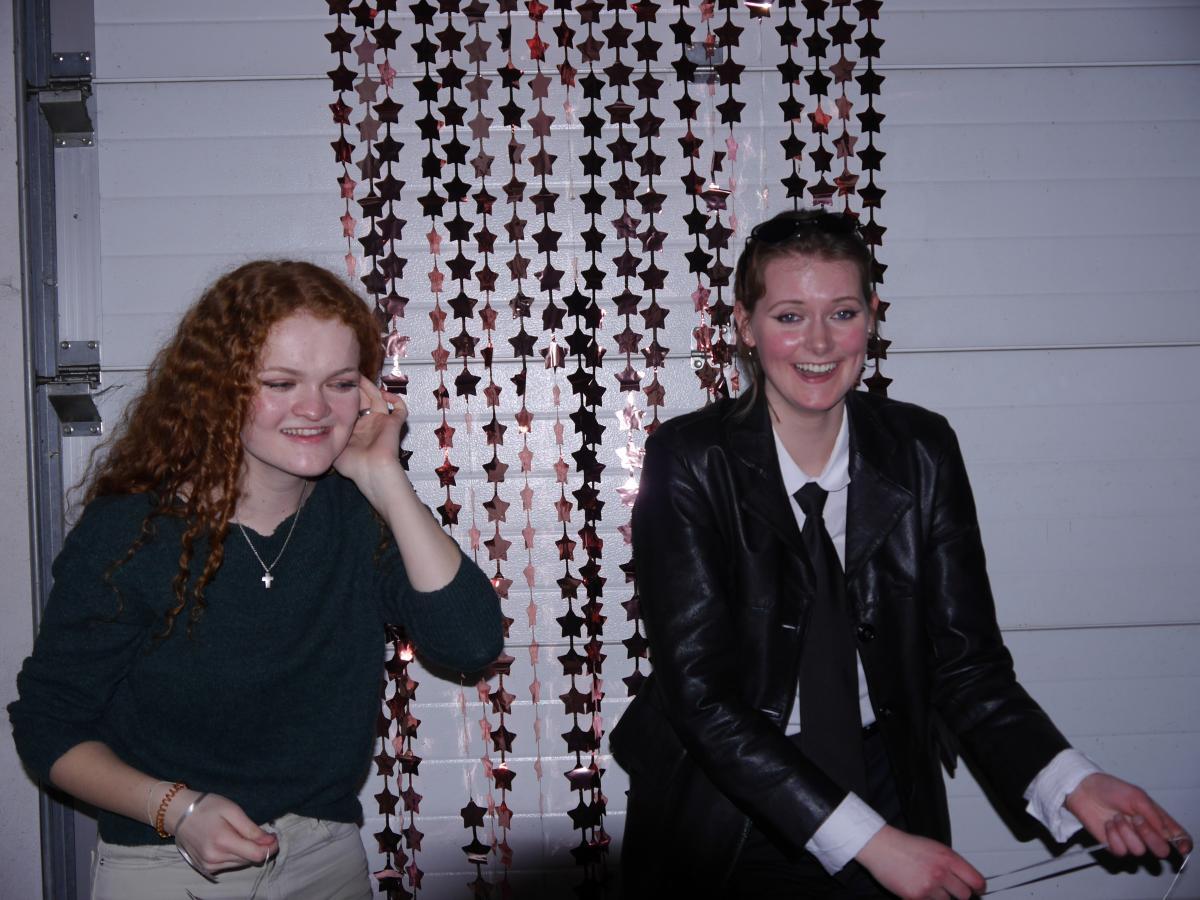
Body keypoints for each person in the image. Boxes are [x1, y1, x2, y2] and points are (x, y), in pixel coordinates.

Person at [609, 209, 1192, 899]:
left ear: (872, 316)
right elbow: (702, 699)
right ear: (745, 325)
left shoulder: (922, 450)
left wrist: (1071, 782)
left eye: (843, 312)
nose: (819, 342)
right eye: (790, 316)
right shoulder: (688, 460)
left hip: (885, 785)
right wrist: (871, 842)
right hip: (729, 814)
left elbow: (967, 665)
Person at [9, 260, 503, 899]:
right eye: (280, 382)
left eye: (340, 382)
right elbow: (47, 724)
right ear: (218, 389)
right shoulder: (134, 532)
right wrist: (176, 808)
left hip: (326, 857)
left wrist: (384, 477)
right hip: (168, 864)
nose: (315, 408)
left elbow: (470, 642)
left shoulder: (357, 515)